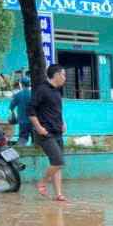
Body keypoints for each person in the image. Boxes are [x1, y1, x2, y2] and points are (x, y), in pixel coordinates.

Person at [30, 64, 67, 201]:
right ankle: (42, 183)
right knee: (58, 161)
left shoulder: (57, 91)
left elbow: (56, 111)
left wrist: (63, 122)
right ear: (56, 75)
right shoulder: (42, 90)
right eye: (63, 75)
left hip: (57, 132)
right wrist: (39, 128)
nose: (64, 78)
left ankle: (58, 194)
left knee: (58, 165)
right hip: (46, 134)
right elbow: (31, 111)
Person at [9, 76, 33, 144]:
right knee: (36, 141)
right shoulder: (34, 94)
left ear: (21, 84)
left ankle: (19, 153)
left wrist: (14, 117)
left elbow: (11, 108)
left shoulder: (17, 95)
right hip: (34, 122)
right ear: (29, 84)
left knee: (22, 140)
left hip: (23, 122)